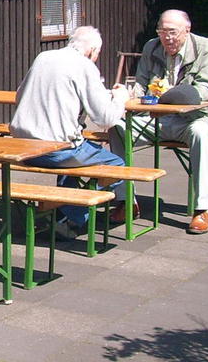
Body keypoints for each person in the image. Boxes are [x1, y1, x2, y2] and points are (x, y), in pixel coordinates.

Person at [9, 26, 132, 240]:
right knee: (116, 165)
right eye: (97, 54)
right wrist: (121, 98)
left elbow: (20, 95)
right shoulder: (85, 66)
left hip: (23, 146)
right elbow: (105, 118)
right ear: (92, 50)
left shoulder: (44, 57)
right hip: (57, 151)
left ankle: (64, 216)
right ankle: (76, 215)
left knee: (73, 160)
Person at [109, 9, 208, 234]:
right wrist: (126, 93)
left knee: (201, 133)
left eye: (172, 32)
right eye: (162, 31)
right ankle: (126, 201)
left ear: (187, 30)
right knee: (116, 127)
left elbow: (207, 90)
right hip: (155, 119)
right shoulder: (151, 47)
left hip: (191, 119)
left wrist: (174, 94)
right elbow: (141, 85)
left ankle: (201, 209)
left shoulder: (203, 48)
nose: (167, 38)